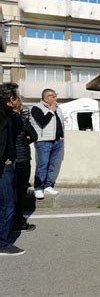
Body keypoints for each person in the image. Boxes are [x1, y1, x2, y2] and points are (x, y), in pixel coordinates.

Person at [0, 82, 26, 256]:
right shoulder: (2, 117)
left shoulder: (9, 115)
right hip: (3, 167)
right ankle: (3, 243)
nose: (20, 100)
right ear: (11, 99)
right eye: (17, 96)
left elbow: (19, 128)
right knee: (7, 205)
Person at [30, 88, 64, 199]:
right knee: (42, 165)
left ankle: (48, 186)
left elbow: (60, 123)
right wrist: (51, 111)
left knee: (52, 165)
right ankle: (38, 188)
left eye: (55, 95)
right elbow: (42, 121)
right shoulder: (36, 108)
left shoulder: (57, 108)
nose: (55, 98)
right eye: (52, 96)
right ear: (45, 97)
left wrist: (62, 137)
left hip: (57, 141)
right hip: (44, 142)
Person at [12, 102, 37, 232]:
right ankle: (19, 222)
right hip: (22, 159)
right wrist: (24, 141)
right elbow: (34, 136)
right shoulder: (22, 119)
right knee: (20, 191)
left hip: (8, 159)